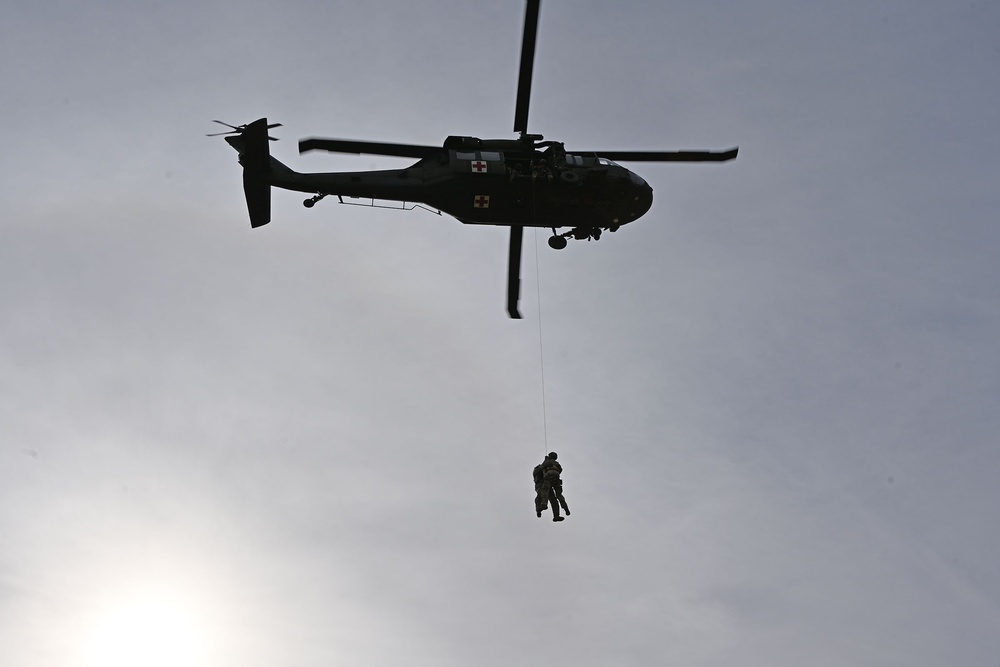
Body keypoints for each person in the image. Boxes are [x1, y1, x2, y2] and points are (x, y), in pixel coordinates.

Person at [533, 452, 570, 522]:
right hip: (541, 486)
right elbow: (539, 469)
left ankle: (556, 515)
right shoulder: (539, 469)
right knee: (540, 497)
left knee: (553, 500)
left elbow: (543, 467)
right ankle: (539, 510)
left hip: (548, 483)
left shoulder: (546, 466)